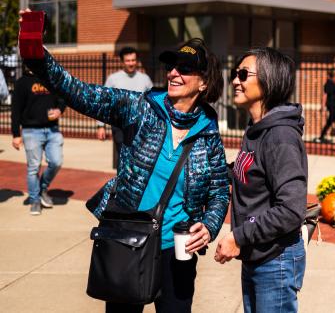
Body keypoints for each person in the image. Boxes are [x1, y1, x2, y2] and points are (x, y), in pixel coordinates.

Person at [20, 23, 229, 312]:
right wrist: (36, 55)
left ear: (204, 82)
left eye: (185, 68)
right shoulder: (140, 108)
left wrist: (209, 225)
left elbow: (219, 192)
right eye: (172, 66)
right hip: (127, 243)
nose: (173, 73)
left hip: (176, 252)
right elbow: (80, 93)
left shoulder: (209, 134)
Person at [214, 47, 308, 313]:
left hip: (275, 261)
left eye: (243, 74)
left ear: (269, 80)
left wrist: (239, 237)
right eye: (235, 74)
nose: (235, 81)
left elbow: (291, 210)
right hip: (258, 255)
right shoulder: (256, 130)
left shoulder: (280, 137)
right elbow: (251, 172)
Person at [11, 65, 66, 215]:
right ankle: (35, 200)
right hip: (31, 131)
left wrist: (59, 110)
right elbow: (15, 110)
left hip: (53, 130)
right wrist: (16, 134)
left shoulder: (51, 79)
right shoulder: (22, 82)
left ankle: (42, 188)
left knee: (56, 162)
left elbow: (63, 98)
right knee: (33, 168)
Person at [96, 46, 154, 168]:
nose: (131, 63)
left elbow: (153, 102)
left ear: (137, 61)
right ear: (122, 62)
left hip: (140, 125)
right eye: (128, 60)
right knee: (122, 157)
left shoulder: (145, 79)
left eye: (133, 60)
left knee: (140, 158)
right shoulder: (113, 79)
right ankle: (121, 184)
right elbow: (104, 102)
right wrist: (100, 126)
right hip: (120, 124)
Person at [318, 70, 335, 144]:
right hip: (331, 105)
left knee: (330, 122)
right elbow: (325, 95)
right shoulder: (328, 84)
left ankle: (321, 136)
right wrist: (322, 106)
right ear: (332, 76)